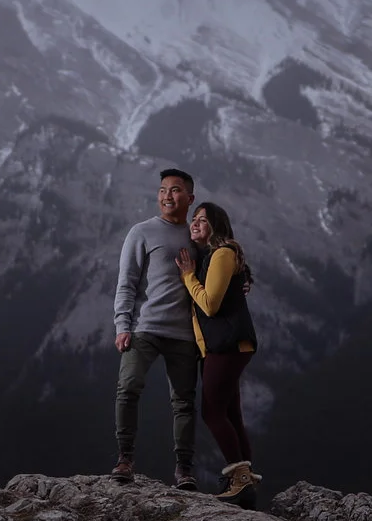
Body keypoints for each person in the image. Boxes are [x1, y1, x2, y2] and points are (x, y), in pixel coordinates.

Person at [110, 167, 202, 488]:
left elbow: (219, 270)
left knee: (184, 401)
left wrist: (241, 282)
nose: (167, 196)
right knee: (128, 387)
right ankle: (124, 459)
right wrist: (123, 324)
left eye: (175, 190)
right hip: (144, 328)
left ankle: (184, 470)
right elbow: (127, 282)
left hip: (184, 334)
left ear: (190, 198)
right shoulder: (142, 232)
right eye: (163, 190)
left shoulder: (196, 237)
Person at [176, 200, 262, 499]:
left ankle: (239, 480)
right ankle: (245, 482)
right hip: (225, 345)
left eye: (203, 219)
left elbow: (210, 305)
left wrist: (188, 276)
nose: (195, 223)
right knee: (231, 413)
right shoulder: (213, 255)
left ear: (216, 225)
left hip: (228, 345)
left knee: (212, 413)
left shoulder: (223, 253)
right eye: (194, 219)